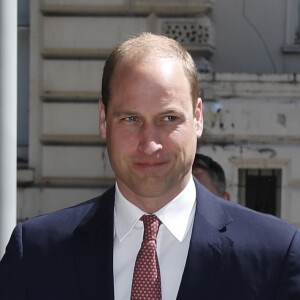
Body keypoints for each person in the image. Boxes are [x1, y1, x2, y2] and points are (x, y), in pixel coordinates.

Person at [0, 33, 300, 299]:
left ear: (198, 118)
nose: (150, 144)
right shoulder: (36, 254)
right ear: (104, 119)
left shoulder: (275, 255)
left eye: (169, 118)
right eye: (131, 119)